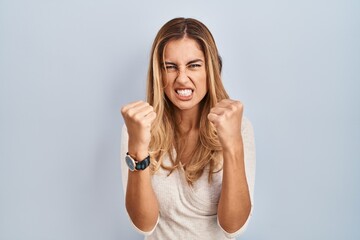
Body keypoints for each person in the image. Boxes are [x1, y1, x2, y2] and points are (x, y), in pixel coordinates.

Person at [120, 17, 256, 239]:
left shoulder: (238, 127)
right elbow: (144, 224)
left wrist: (232, 145)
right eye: (170, 67)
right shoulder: (137, 127)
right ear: (159, 73)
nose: (182, 79)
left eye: (194, 65)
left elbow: (234, 226)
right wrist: (137, 146)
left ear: (210, 69)